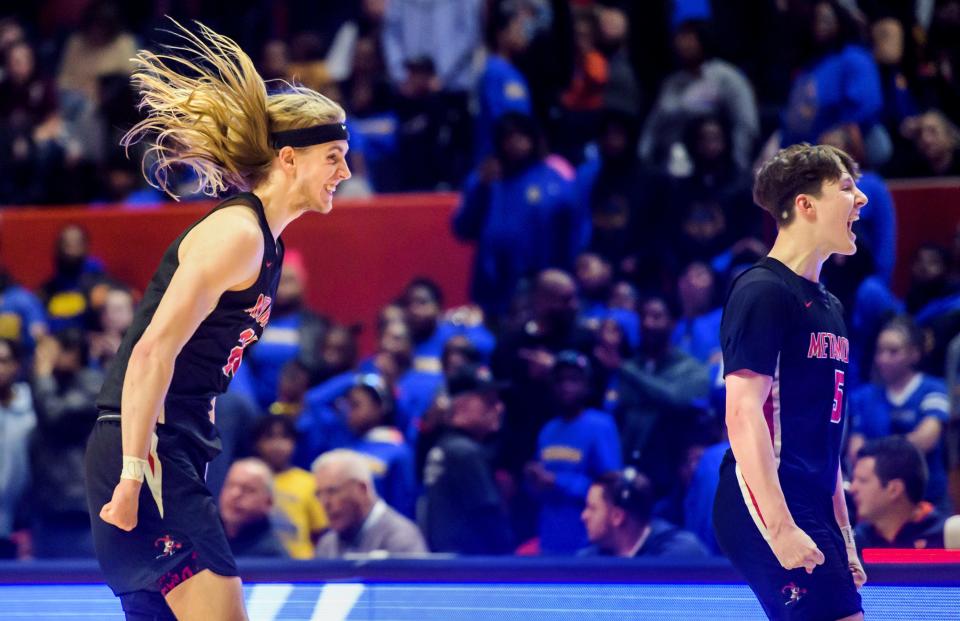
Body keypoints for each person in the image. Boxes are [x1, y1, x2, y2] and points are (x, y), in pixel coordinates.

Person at [84, 21, 351, 621]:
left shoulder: (264, 242)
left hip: (165, 447)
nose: (345, 172)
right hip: (146, 450)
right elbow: (153, 351)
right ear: (289, 158)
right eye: (333, 156)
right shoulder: (237, 234)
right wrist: (133, 473)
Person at [713, 143, 868, 621]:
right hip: (765, 496)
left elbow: (828, 432)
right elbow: (742, 415)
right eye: (846, 188)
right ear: (806, 204)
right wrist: (779, 527)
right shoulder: (762, 290)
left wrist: (843, 533)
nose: (861, 200)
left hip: (811, 499)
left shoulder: (830, 305)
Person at [848, 316, 952, 510]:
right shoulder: (863, 397)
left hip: (929, 501)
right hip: (878, 508)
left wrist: (876, 449)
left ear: (914, 354)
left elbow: (926, 439)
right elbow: (856, 452)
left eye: (893, 351)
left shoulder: (933, 389)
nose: (883, 359)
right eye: (879, 351)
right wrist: (903, 445)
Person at [526, 351, 621, 554]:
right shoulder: (548, 430)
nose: (566, 387)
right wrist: (532, 480)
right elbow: (539, 490)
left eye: (574, 380)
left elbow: (612, 487)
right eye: (560, 380)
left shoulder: (600, 425)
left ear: (587, 386)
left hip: (587, 544)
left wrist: (557, 481)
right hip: (550, 541)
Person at [421, 363, 512, 555]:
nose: (499, 407)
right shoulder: (466, 453)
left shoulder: (442, 446)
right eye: (489, 401)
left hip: (447, 567)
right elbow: (489, 519)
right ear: (461, 405)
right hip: (471, 571)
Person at [313, 449, 427, 558]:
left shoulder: (401, 538)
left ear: (362, 489)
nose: (325, 503)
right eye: (319, 494)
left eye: (332, 491)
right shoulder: (327, 545)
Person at [580, 469, 708, 558]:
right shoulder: (589, 559)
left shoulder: (680, 554)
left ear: (617, 517)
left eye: (592, 508)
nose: (584, 516)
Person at [850, 437, 949, 550]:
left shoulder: (946, 538)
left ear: (894, 490)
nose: (853, 489)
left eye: (863, 480)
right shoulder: (854, 541)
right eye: (854, 480)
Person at [251, 415, 327, 559]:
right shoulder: (248, 481)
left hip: (301, 568)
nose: (277, 444)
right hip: (258, 563)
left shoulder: (308, 482)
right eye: (269, 437)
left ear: (294, 443)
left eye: (284, 437)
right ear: (257, 443)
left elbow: (320, 532)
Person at [218, 459, 287, 559]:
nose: (235, 494)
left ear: (268, 502)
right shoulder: (201, 539)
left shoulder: (272, 557)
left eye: (248, 489)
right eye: (230, 485)